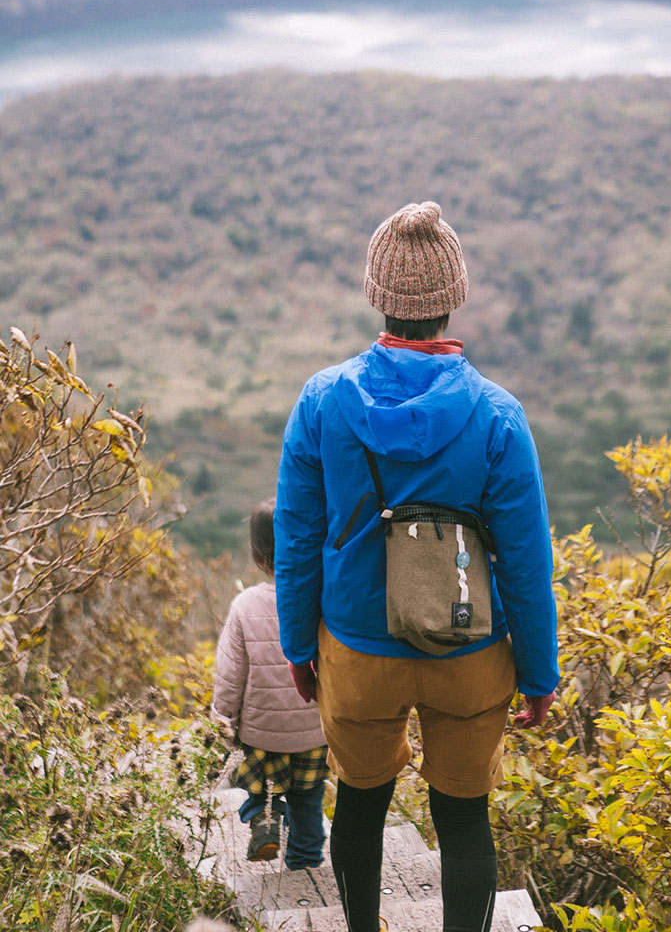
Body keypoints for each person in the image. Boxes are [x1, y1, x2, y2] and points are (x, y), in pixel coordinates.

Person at [274, 200, 560, 932]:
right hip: (470, 646)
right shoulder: (498, 415)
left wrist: (299, 648)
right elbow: (526, 559)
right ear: (451, 298)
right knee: (464, 819)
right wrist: (539, 674)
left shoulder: (323, 401)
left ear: (379, 295)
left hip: (360, 646)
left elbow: (298, 541)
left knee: (360, 808)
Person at [212, 497, 328, 868]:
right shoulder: (325, 598)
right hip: (315, 731)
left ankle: (264, 818)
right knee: (308, 799)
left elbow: (230, 675)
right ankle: (306, 859)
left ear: (260, 555)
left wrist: (222, 719)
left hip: (263, 732)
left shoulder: (245, 605)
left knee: (259, 789)